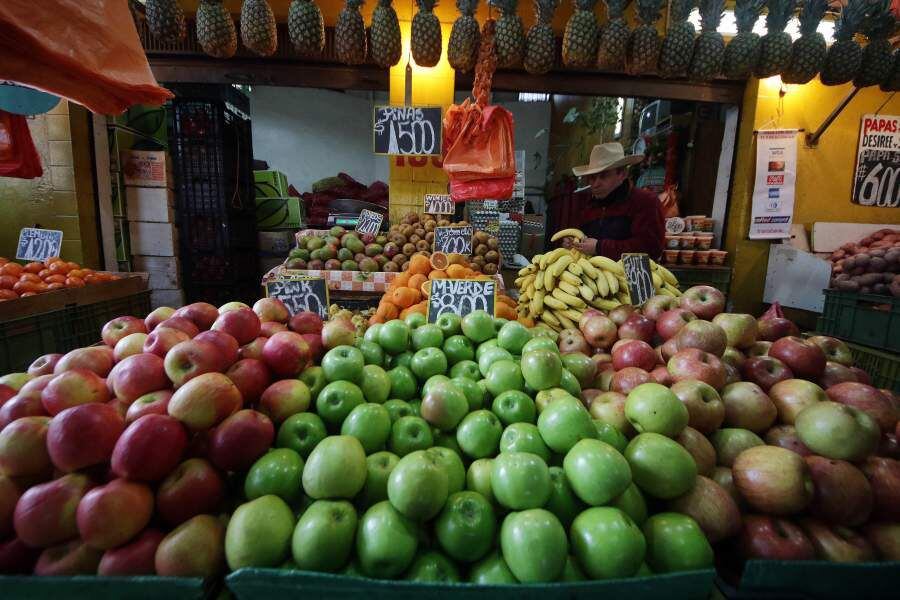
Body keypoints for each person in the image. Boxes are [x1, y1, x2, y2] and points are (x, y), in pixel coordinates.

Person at [559, 143, 665, 260]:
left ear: (622, 174)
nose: (596, 183)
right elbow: (582, 239)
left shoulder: (645, 202)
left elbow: (651, 248)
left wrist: (600, 247)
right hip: (590, 275)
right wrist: (572, 243)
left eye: (603, 176)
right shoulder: (587, 206)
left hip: (628, 277)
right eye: (592, 177)